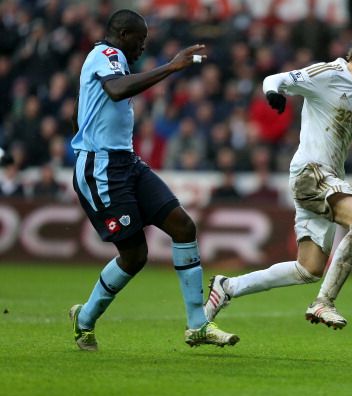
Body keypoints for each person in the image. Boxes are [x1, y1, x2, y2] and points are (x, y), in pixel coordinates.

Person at [204, 26, 352, 330]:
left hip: (327, 178)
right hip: (312, 171)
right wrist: (274, 94)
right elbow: (276, 79)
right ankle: (324, 302)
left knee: (307, 269)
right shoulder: (328, 74)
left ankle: (228, 287)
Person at [69, 9, 238, 351]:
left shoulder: (117, 59)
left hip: (126, 162)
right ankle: (85, 318)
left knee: (183, 227)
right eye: (141, 40)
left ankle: (198, 325)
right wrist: (172, 66)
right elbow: (116, 90)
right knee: (134, 257)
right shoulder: (105, 54)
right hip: (99, 168)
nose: (143, 47)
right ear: (124, 34)